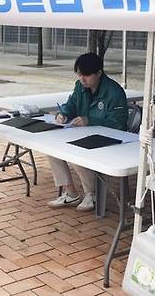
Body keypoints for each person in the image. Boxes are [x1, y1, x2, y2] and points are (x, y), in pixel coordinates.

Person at [49, 52, 128, 211]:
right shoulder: (80, 86)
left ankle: (92, 194)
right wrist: (63, 113)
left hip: (109, 139)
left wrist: (90, 120)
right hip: (85, 134)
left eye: (86, 75)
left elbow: (119, 123)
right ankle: (70, 193)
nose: (82, 79)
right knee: (51, 149)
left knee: (75, 152)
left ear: (99, 73)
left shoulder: (114, 92)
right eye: (79, 75)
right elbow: (71, 104)